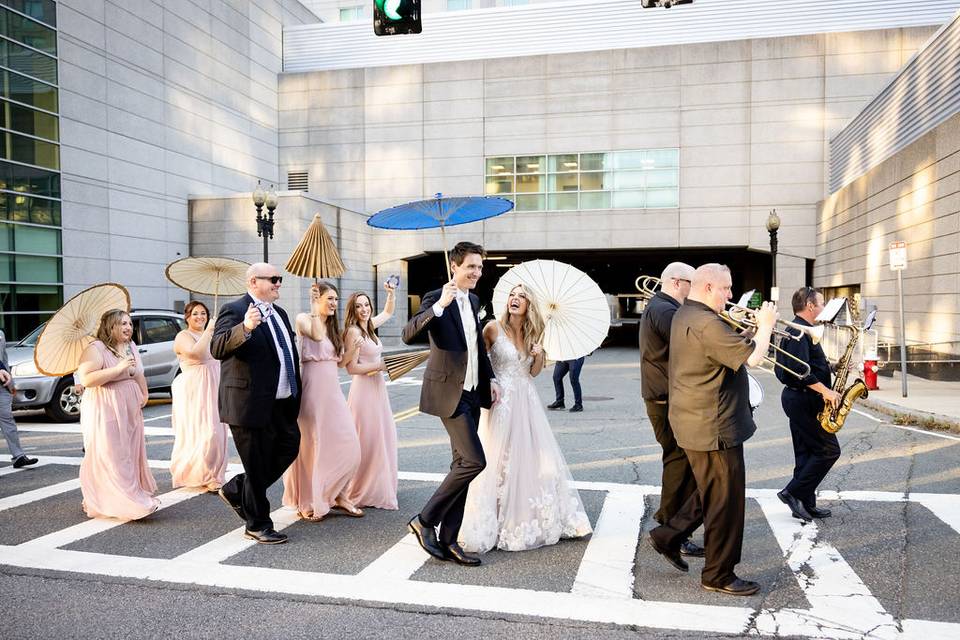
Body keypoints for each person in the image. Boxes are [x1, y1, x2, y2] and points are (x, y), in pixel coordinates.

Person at [648, 263, 776, 597]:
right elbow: (754, 360)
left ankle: (668, 535)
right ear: (707, 288)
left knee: (711, 492)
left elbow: (722, 350)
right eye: (726, 288)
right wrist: (766, 327)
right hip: (713, 425)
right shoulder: (705, 322)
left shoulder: (686, 314)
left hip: (697, 420)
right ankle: (718, 575)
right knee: (726, 502)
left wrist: (746, 335)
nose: (731, 295)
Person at [460, 284, 592, 552]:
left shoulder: (535, 332)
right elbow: (478, 361)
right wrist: (491, 381)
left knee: (529, 457)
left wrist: (539, 354)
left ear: (529, 305)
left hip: (526, 400)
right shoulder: (492, 328)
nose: (515, 299)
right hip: (502, 402)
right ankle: (494, 516)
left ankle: (526, 514)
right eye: (512, 295)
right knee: (499, 455)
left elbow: (533, 372)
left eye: (521, 296)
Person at [402, 241, 500, 567]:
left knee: (460, 465)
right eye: (471, 266)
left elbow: (476, 347)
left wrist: (491, 379)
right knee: (474, 462)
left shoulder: (473, 299)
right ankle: (425, 520)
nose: (477, 272)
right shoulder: (436, 297)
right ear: (454, 266)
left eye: (480, 267)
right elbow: (408, 333)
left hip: (473, 391)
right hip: (450, 393)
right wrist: (440, 305)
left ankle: (449, 540)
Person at [212, 263, 301, 545]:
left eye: (279, 279)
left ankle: (239, 488)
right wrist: (246, 327)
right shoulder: (235, 310)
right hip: (248, 402)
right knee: (257, 460)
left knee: (290, 446)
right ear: (253, 282)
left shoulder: (281, 314)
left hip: (281, 402)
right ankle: (258, 523)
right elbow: (217, 348)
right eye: (273, 279)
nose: (278, 283)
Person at [282, 281, 363, 521]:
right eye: (329, 298)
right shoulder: (304, 319)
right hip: (312, 392)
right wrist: (314, 307)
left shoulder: (334, 328)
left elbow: (338, 363)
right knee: (313, 445)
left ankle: (338, 493)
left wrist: (352, 349)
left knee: (350, 445)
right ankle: (312, 498)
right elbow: (316, 335)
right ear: (316, 298)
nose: (334, 304)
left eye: (336, 300)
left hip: (333, 392)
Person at [639, 262, 703, 558]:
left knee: (680, 462)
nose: (696, 290)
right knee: (679, 462)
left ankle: (672, 524)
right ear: (678, 282)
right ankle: (672, 527)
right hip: (665, 399)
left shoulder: (664, 307)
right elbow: (690, 345)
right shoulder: (664, 310)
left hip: (666, 397)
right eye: (693, 283)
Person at [75, 309, 159, 519]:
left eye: (130, 324)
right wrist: (117, 368)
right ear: (110, 326)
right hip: (105, 405)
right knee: (111, 453)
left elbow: (138, 372)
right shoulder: (96, 348)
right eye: (122, 324)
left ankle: (131, 494)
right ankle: (117, 500)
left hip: (129, 407)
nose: (128, 328)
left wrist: (144, 393)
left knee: (129, 453)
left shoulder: (130, 346)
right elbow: (86, 379)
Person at [775, 287, 841, 522]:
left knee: (806, 452)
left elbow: (808, 364)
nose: (823, 308)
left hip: (801, 398)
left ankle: (805, 503)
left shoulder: (802, 330)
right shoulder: (799, 331)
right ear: (810, 306)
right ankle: (792, 493)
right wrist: (825, 390)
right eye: (821, 303)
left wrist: (831, 368)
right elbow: (797, 371)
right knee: (828, 450)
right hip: (803, 399)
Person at [344, 280, 398, 510]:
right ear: (352, 310)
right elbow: (351, 368)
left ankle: (377, 484)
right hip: (363, 389)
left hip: (378, 388)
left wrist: (391, 293)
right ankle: (359, 488)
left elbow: (388, 312)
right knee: (367, 438)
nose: (364, 309)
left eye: (366, 305)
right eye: (359, 306)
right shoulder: (353, 332)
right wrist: (379, 366)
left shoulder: (370, 327)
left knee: (381, 436)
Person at [169, 301, 228, 492]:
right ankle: (197, 472)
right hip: (195, 387)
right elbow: (196, 354)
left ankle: (214, 473)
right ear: (187, 316)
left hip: (215, 383)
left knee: (218, 430)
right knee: (203, 431)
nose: (200, 317)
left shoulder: (210, 333)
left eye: (203, 313)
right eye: (195, 313)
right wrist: (209, 331)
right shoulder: (183, 336)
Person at [1, 329, 38, 468]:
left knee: (7, 420)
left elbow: (3, 359)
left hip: (2, 385)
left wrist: (11, 384)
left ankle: (18, 456)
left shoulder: (1, 334)